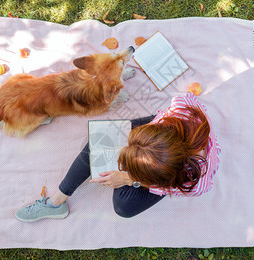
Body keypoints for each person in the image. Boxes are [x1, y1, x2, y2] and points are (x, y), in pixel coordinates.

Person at [15, 92, 220, 222]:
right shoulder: (180, 107)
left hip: (168, 167)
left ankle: (137, 164)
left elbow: (161, 183)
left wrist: (129, 179)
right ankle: (56, 202)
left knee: (124, 207)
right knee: (101, 140)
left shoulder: (193, 183)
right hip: (164, 134)